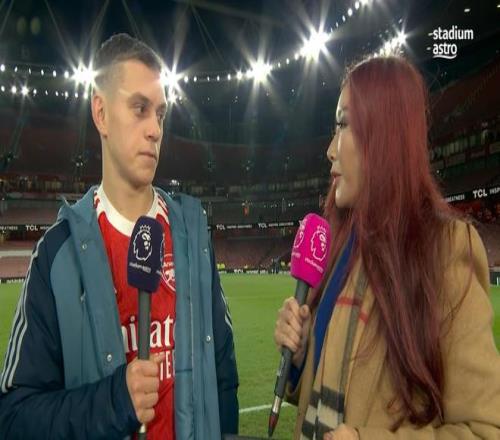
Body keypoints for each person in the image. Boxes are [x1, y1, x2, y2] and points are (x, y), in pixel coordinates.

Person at [0, 33, 239, 439]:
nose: (155, 130)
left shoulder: (193, 236)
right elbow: (14, 417)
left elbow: (223, 375)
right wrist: (113, 402)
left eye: (160, 114)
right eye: (139, 109)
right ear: (101, 113)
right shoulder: (56, 256)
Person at [274, 56, 500, 440]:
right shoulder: (342, 247)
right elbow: (332, 391)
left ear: (384, 136)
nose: (330, 149)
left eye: (344, 124)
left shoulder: (445, 249)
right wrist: (302, 355)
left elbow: (484, 430)